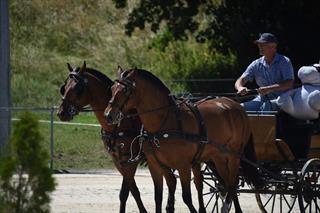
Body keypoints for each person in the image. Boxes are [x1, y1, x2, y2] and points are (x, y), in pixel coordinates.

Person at [235, 33, 294, 112]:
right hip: (262, 99)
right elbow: (241, 79)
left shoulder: (284, 61)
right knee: (239, 109)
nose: (260, 47)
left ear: (273, 46)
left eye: (263, 44)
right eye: (259, 44)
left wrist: (269, 89)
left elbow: (289, 83)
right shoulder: (256, 64)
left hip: (282, 99)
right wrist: (240, 87)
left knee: (266, 108)